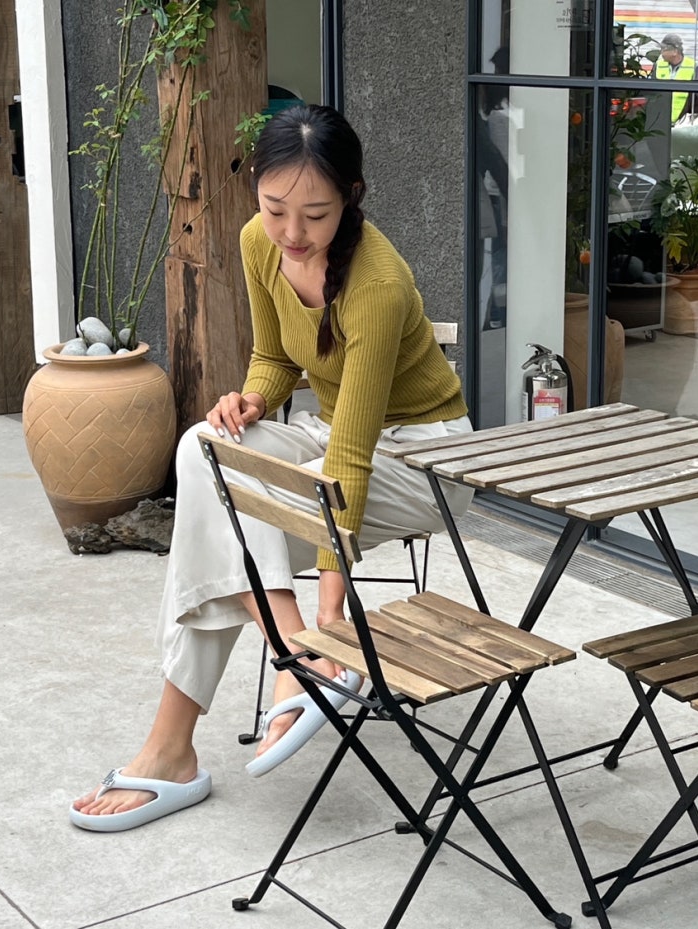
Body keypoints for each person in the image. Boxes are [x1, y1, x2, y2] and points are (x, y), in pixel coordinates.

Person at [70, 104, 473, 832]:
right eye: (274, 208)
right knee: (203, 447)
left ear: (351, 197)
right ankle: (297, 656)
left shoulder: (377, 284)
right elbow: (275, 356)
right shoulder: (258, 242)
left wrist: (332, 610)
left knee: (221, 522)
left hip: (424, 458)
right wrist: (252, 399)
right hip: (330, 435)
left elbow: (349, 459)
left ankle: (178, 744)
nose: (291, 232)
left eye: (314, 215)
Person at [652, 33, 698, 125]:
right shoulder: (658, 65)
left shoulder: (694, 67)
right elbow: (652, 93)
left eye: (664, 49)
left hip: (685, 122)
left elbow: (697, 97)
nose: (661, 52)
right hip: (660, 120)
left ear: (675, 51)